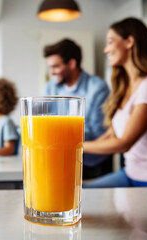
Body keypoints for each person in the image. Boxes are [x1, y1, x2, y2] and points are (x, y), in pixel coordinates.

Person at [84, 17, 147, 188]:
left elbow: (124, 144)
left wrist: (73, 146)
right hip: (129, 174)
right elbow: (111, 135)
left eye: (110, 42)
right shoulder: (125, 88)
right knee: (83, 194)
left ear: (129, 41)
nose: (105, 50)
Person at [44, 39, 111, 178]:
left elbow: (97, 132)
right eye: (50, 67)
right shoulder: (50, 87)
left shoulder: (97, 88)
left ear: (72, 64)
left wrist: (60, 138)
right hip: (60, 159)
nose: (52, 72)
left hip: (91, 162)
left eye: (56, 67)